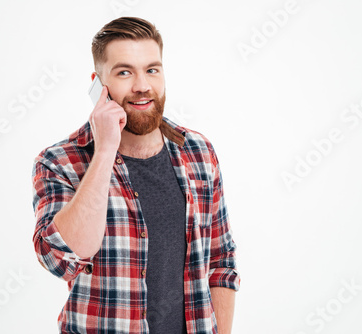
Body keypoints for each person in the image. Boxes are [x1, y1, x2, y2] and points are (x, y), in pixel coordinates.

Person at [31, 16, 240, 334]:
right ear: (99, 85)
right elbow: (61, 259)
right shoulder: (60, 162)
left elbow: (221, 261)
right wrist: (104, 153)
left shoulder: (199, 152)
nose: (142, 85)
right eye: (124, 72)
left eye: (152, 70)